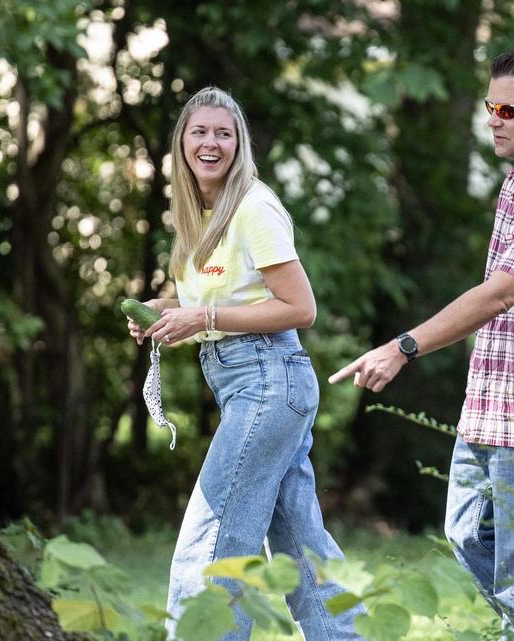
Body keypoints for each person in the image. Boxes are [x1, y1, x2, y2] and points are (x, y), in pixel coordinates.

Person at [328, 44, 514, 639]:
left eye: (508, 111)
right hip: (494, 402)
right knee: (466, 534)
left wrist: (402, 346)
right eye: (491, 106)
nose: (493, 119)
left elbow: (501, 293)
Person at [126, 86, 364, 641]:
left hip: (268, 381)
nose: (211, 143)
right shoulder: (199, 213)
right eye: (200, 132)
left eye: (224, 133)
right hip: (255, 384)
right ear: (182, 140)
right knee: (300, 547)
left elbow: (298, 308)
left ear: (240, 144)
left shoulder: (254, 207)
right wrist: (165, 312)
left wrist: (201, 319)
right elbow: (222, 296)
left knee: (209, 546)